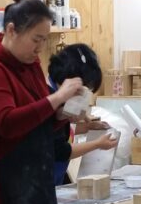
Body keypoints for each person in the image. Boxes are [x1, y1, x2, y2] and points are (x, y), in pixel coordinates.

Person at [0, 0, 115, 204]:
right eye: (36, 39)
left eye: (44, 40)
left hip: (39, 178)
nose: (40, 48)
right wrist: (57, 98)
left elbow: (39, 120)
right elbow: (7, 123)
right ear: (11, 30)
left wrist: (62, 115)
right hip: (6, 184)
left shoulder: (31, 64)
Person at [47, 43, 112, 185]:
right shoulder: (48, 99)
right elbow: (60, 151)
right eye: (81, 91)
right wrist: (97, 144)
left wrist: (88, 127)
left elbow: (62, 131)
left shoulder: (59, 97)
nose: (82, 96)